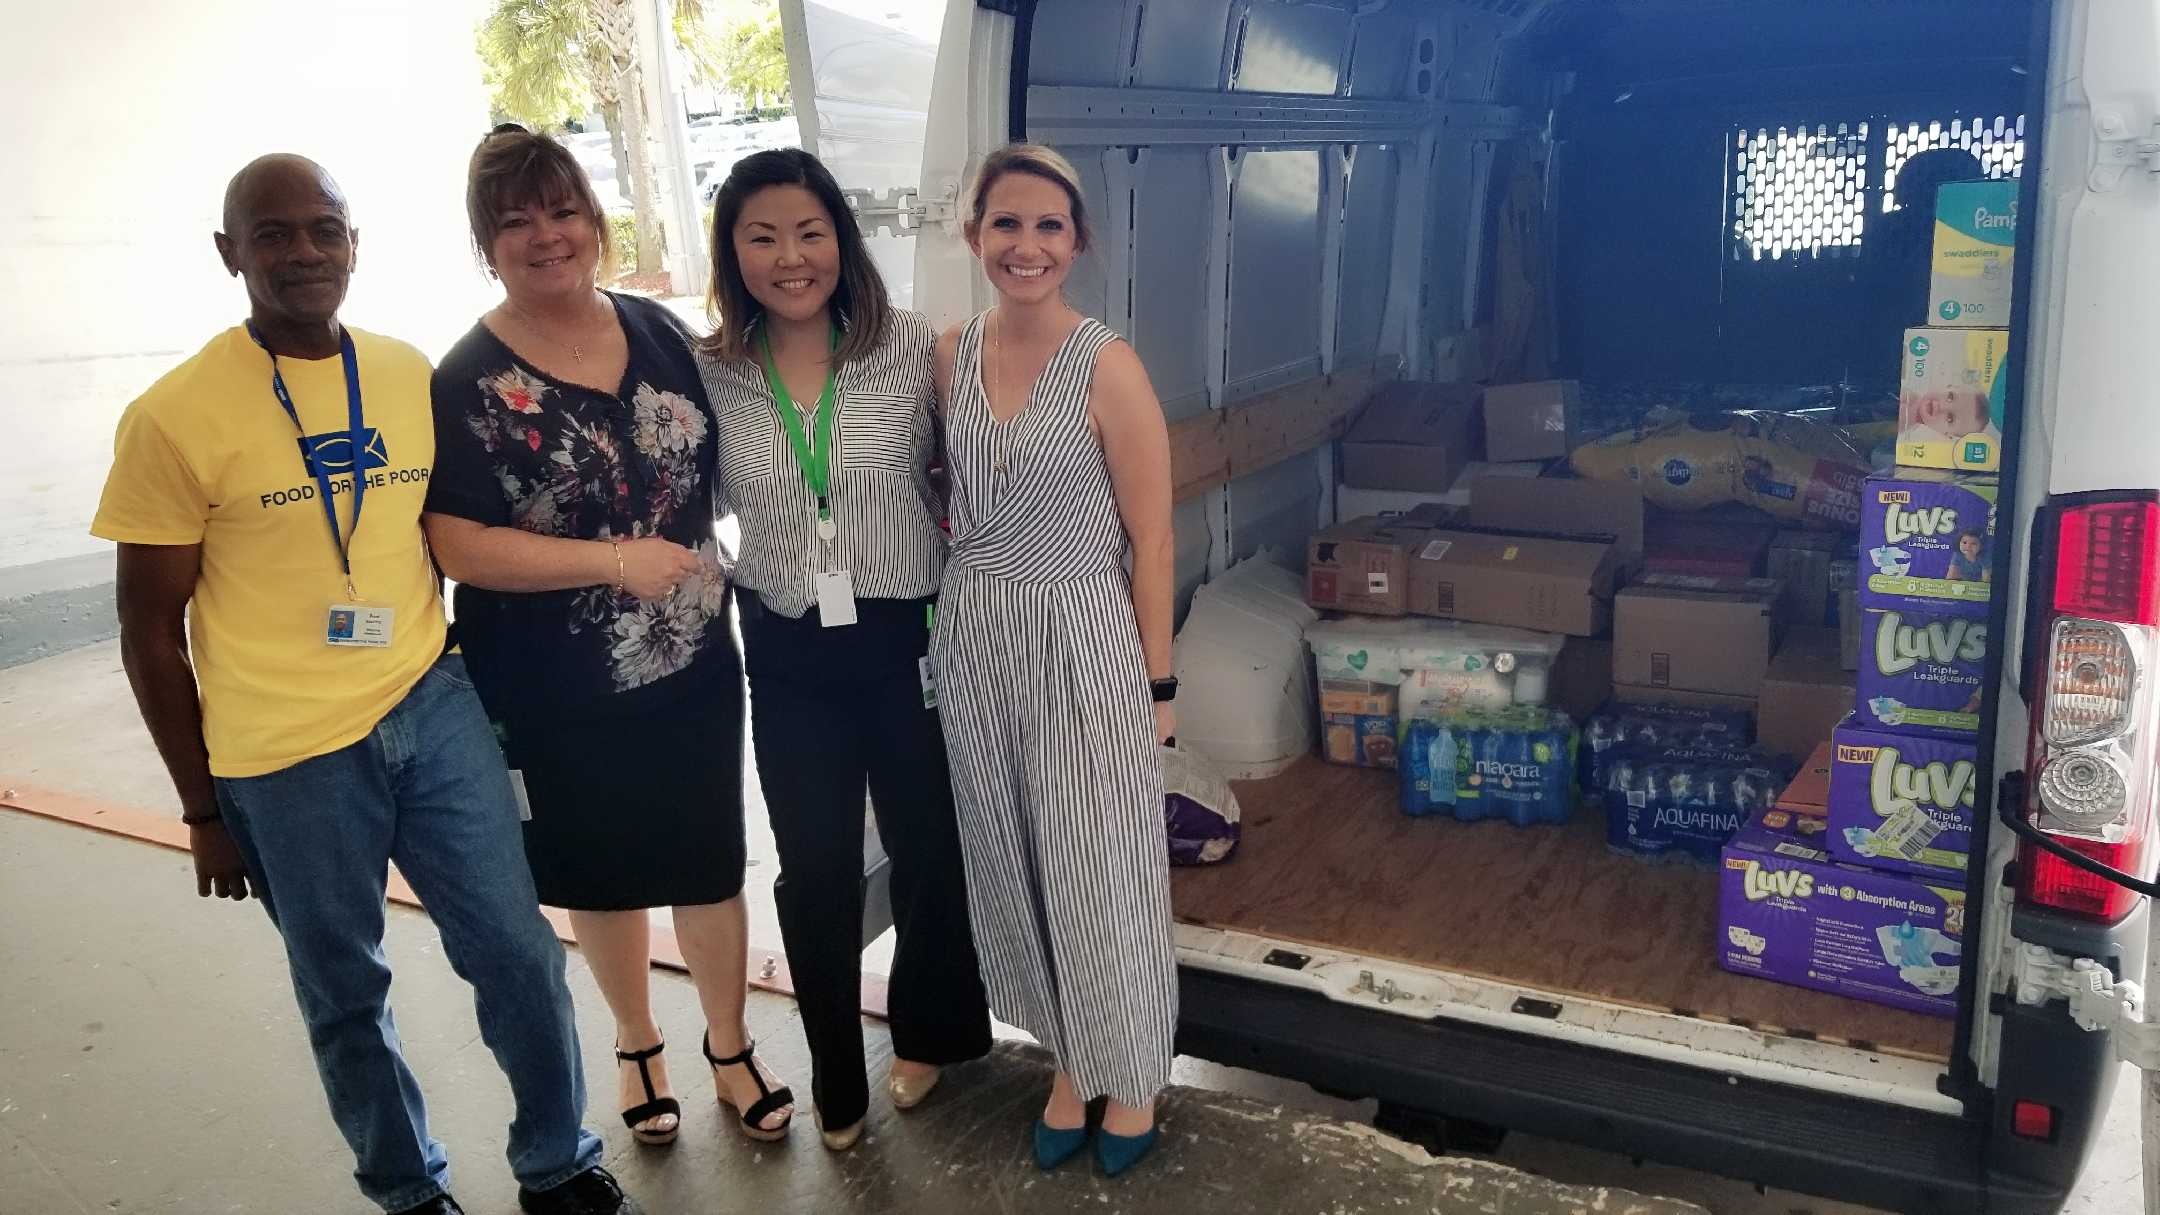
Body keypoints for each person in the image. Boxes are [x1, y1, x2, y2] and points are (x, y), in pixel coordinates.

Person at [92, 154, 636, 1215]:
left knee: (520, 953)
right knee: (345, 992)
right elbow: (148, 632)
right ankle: (405, 1188)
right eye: (273, 234)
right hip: (280, 753)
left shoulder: (403, 373)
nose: (303, 252)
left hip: (427, 699)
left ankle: (558, 1162)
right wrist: (202, 807)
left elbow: (460, 524)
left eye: (323, 230)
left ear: (354, 244)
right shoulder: (173, 416)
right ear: (229, 254)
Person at [423, 127, 793, 1149]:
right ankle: (636, 1043)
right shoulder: (467, 379)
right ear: (486, 243)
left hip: (694, 664)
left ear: (594, 219)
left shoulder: (659, 329)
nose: (548, 237)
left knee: (709, 858)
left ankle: (728, 1042)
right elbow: (453, 541)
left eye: (563, 211)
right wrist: (611, 560)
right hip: (554, 684)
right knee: (602, 869)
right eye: (517, 222)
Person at [694, 147, 992, 1152]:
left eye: (809, 232)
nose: (789, 257)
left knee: (926, 849)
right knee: (815, 868)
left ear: (842, 239)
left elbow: (981, 466)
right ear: (733, 252)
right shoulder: (713, 372)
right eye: (762, 236)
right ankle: (831, 1066)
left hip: (905, 635)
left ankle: (927, 1033)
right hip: (784, 648)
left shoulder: (911, 348)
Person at [930, 143, 1179, 1177]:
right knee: (1015, 860)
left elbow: (1154, 538)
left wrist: (1159, 688)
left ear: (1078, 242)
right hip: (978, 633)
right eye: (1006, 224)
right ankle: (1072, 1058)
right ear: (974, 234)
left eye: (1048, 227)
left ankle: (1138, 1070)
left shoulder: (1105, 362)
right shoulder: (949, 353)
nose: (1025, 245)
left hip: (1082, 634)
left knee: (1099, 866)